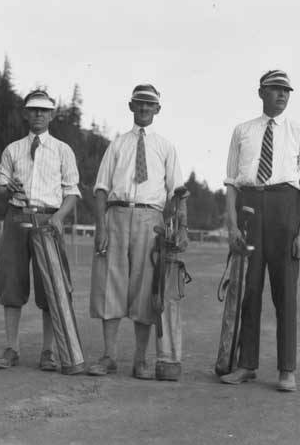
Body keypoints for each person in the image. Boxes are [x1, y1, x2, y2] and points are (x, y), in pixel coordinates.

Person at [219, 70, 300, 392]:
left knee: (285, 292)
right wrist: (232, 226)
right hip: (250, 208)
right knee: (248, 290)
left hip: (285, 209)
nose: (282, 95)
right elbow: (232, 183)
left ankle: (287, 369)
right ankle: (247, 364)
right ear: (261, 92)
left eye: (286, 91)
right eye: (275, 90)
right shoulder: (243, 131)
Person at [88, 84, 187, 379]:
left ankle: (141, 360)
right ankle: (108, 356)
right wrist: (101, 226)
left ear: (158, 109)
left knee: (147, 288)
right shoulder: (117, 145)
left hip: (150, 218)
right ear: (131, 107)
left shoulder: (166, 147)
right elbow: (101, 189)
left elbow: (178, 191)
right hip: (116, 214)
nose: (144, 109)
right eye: (139, 104)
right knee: (109, 283)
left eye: (149, 104)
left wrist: (181, 227)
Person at [0, 89, 81, 371]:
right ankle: (11, 348)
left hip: (48, 221)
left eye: (44, 110)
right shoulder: (13, 149)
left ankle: (48, 351)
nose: (38, 115)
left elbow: (72, 192)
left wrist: (58, 218)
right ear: (25, 113)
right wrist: (8, 188)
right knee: (11, 282)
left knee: (50, 286)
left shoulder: (62, 150)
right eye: (33, 110)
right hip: (17, 218)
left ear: (52, 114)